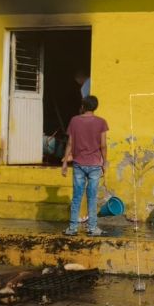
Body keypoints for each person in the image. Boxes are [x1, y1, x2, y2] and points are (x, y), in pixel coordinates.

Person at [61, 95, 109, 236]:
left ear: (83, 106)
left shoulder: (74, 121)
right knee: (92, 197)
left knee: (77, 196)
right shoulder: (101, 122)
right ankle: (92, 228)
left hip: (79, 164)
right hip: (94, 165)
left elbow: (70, 143)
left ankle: (72, 228)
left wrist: (65, 162)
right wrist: (104, 162)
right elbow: (103, 145)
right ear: (95, 107)